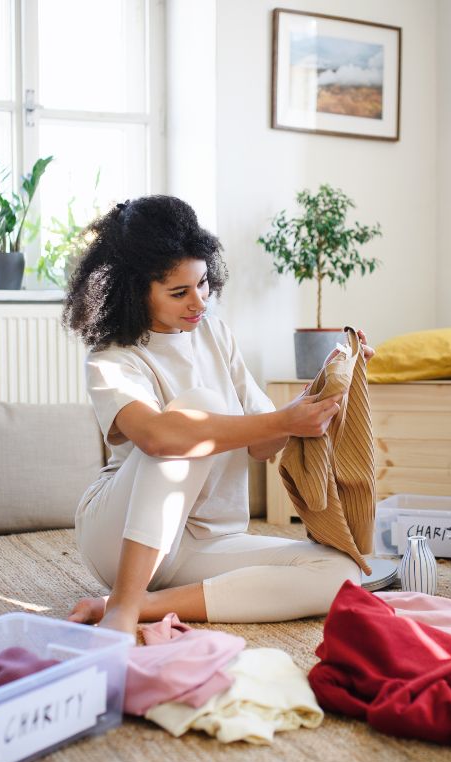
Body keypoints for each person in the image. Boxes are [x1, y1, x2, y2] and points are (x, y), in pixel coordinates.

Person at [62, 195, 374, 635]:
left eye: (204, 283)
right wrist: (282, 421)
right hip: (119, 538)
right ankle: (124, 604)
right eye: (179, 292)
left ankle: (140, 605)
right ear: (134, 291)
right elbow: (158, 438)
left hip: (208, 540)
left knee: (342, 574)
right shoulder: (111, 358)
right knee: (197, 411)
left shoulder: (215, 334)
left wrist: (323, 392)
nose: (199, 302)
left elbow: (264, 442)